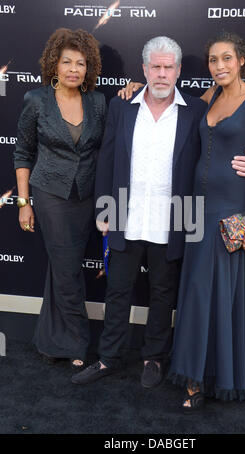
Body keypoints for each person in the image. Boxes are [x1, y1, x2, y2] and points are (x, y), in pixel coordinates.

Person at [71, 36, 245, 388]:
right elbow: (107, 159)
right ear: (144, 69)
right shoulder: (122, 105)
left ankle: (154, 358)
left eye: (167, 67)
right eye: (154, 66)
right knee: (118, 290)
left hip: (177, 215)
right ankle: (109, 358)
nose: (161, 73)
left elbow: (223, 147)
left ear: (178, 71)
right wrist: (103, 208)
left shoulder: (196, 110)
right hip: (126, 212)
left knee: (163, 292)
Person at [168, 31, 245, 411]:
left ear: (241, 59)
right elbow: (171, 105)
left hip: (230, 212)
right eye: (213, 60)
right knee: (197, 294)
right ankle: (197, 372)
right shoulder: (208, 97)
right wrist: (137, 87)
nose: (219, 66)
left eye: (226, 58)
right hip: (197, 211)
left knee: (217, 296)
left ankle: (204, 379)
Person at [14, 28, 107, 369]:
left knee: (61, 268)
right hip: (50, 194)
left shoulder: (97, 102)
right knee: (68, 270)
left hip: (85, 195)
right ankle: (77, 342)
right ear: (54, 64)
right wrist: (24, 204)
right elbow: (22, 152)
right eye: (66, 61)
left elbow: (107, 148)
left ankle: (49, 340)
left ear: (88, 68)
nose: (73, 69)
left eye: (80, 63)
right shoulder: (36, 100)